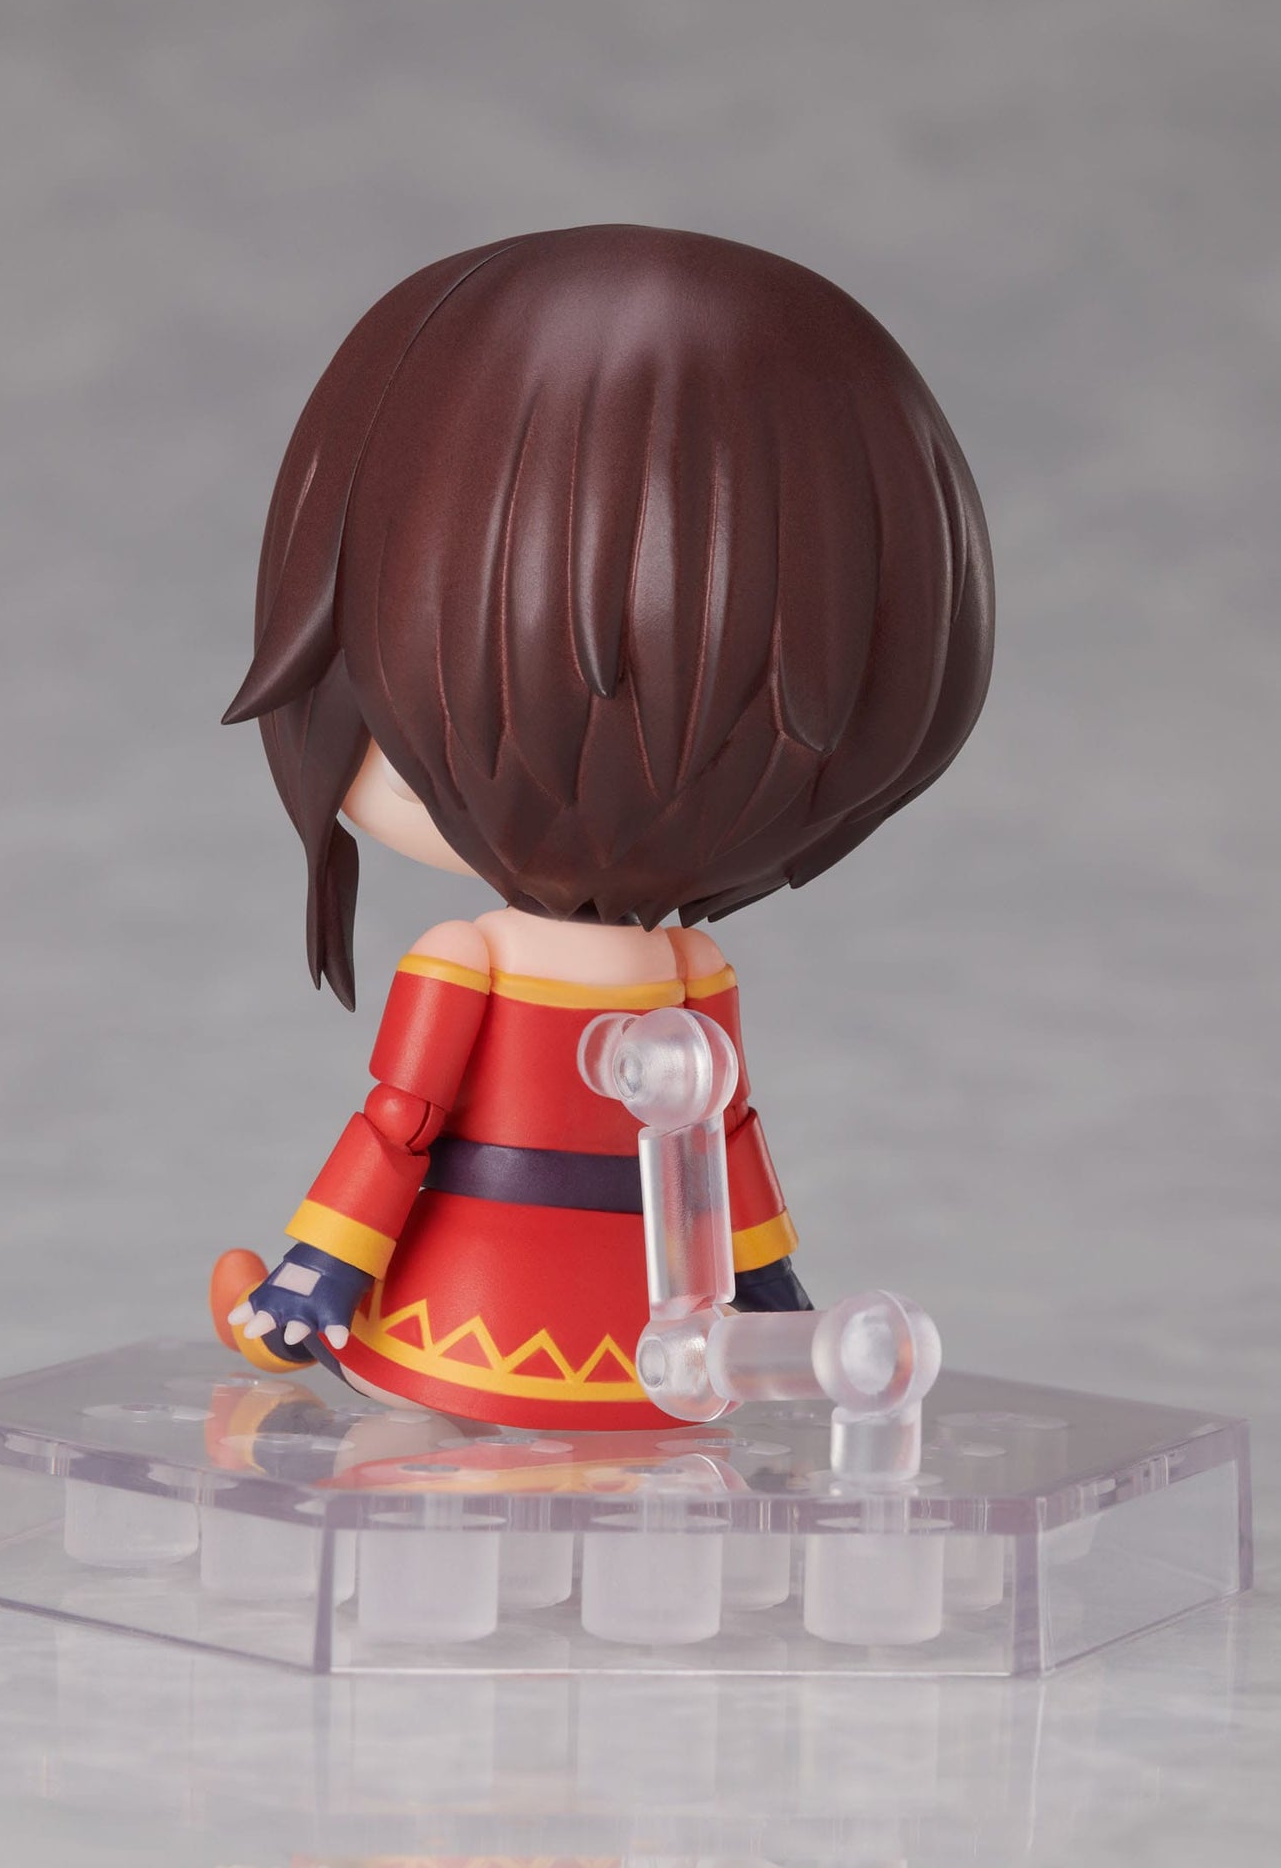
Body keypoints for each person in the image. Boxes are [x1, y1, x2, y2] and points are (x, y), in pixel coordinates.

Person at [212, 225, 993, 1428]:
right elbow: (402, 1125)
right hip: (479, 1312)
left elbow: (720, 1140)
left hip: (636, 1337)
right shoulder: (502, 964)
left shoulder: (682, 971)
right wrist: (322, 1268)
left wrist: (763, 1283)